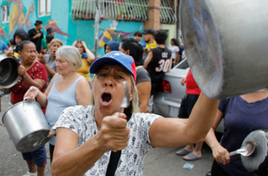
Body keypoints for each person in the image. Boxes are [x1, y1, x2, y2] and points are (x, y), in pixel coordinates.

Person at [50, 51, 219, 175]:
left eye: (119, 77)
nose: (108, 81)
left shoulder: (140, 125)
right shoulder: (74, 116)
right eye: (102, 75)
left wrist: (215, 82)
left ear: (130, 93)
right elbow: (58, 171)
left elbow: (194, 131)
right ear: (93, 85)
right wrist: (99, 142)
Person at [24, 45, 92, 163]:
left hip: (69, 141)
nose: (56, 64)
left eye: (61, 61)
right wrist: (37, 92)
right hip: (52, 137)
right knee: (55, 169)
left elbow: (86, 117)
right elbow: (45, 101)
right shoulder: (56, 77)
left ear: (73, 63)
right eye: (56, 60)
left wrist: (58, 129)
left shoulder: (81, 83)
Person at [3, 41, 47, 176]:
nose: (33, 54)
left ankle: (40, 174)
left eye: (34, 51)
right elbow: (6, 90)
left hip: (35, 112)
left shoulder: (40, 68)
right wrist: (10, 74)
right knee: (23, 143)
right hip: (17, 112)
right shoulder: (15, 67)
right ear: (20, 53)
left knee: (38, 146)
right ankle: (31, 171)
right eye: (29, 51)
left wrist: (24, 75)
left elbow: (38, 87)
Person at [205, 90, 268, 176]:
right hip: (225, 167)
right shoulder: (230, 94)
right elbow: (207, 127)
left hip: (260, 171)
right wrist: (215, 146)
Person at [175, 69, 203, 161]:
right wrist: (186, 78)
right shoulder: (196, 58)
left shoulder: (208, 58)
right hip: (189, 93)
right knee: (186, 120)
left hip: (199, 94)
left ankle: (197, 151)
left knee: (198, 123)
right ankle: (189, 146)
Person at [119, 38, 151, 113]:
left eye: (120, 50)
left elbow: (143, 104)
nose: (118, 53)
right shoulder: (126, 70)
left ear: (127, 52)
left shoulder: (141, 73)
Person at [143, 30, 172, 96]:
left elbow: (144, 65)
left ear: (155, 40)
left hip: (151, 80)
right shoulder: (169, 52)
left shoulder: (153, 52)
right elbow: (168, 69)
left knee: (148, 101)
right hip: (161, 81)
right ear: (165, 40)